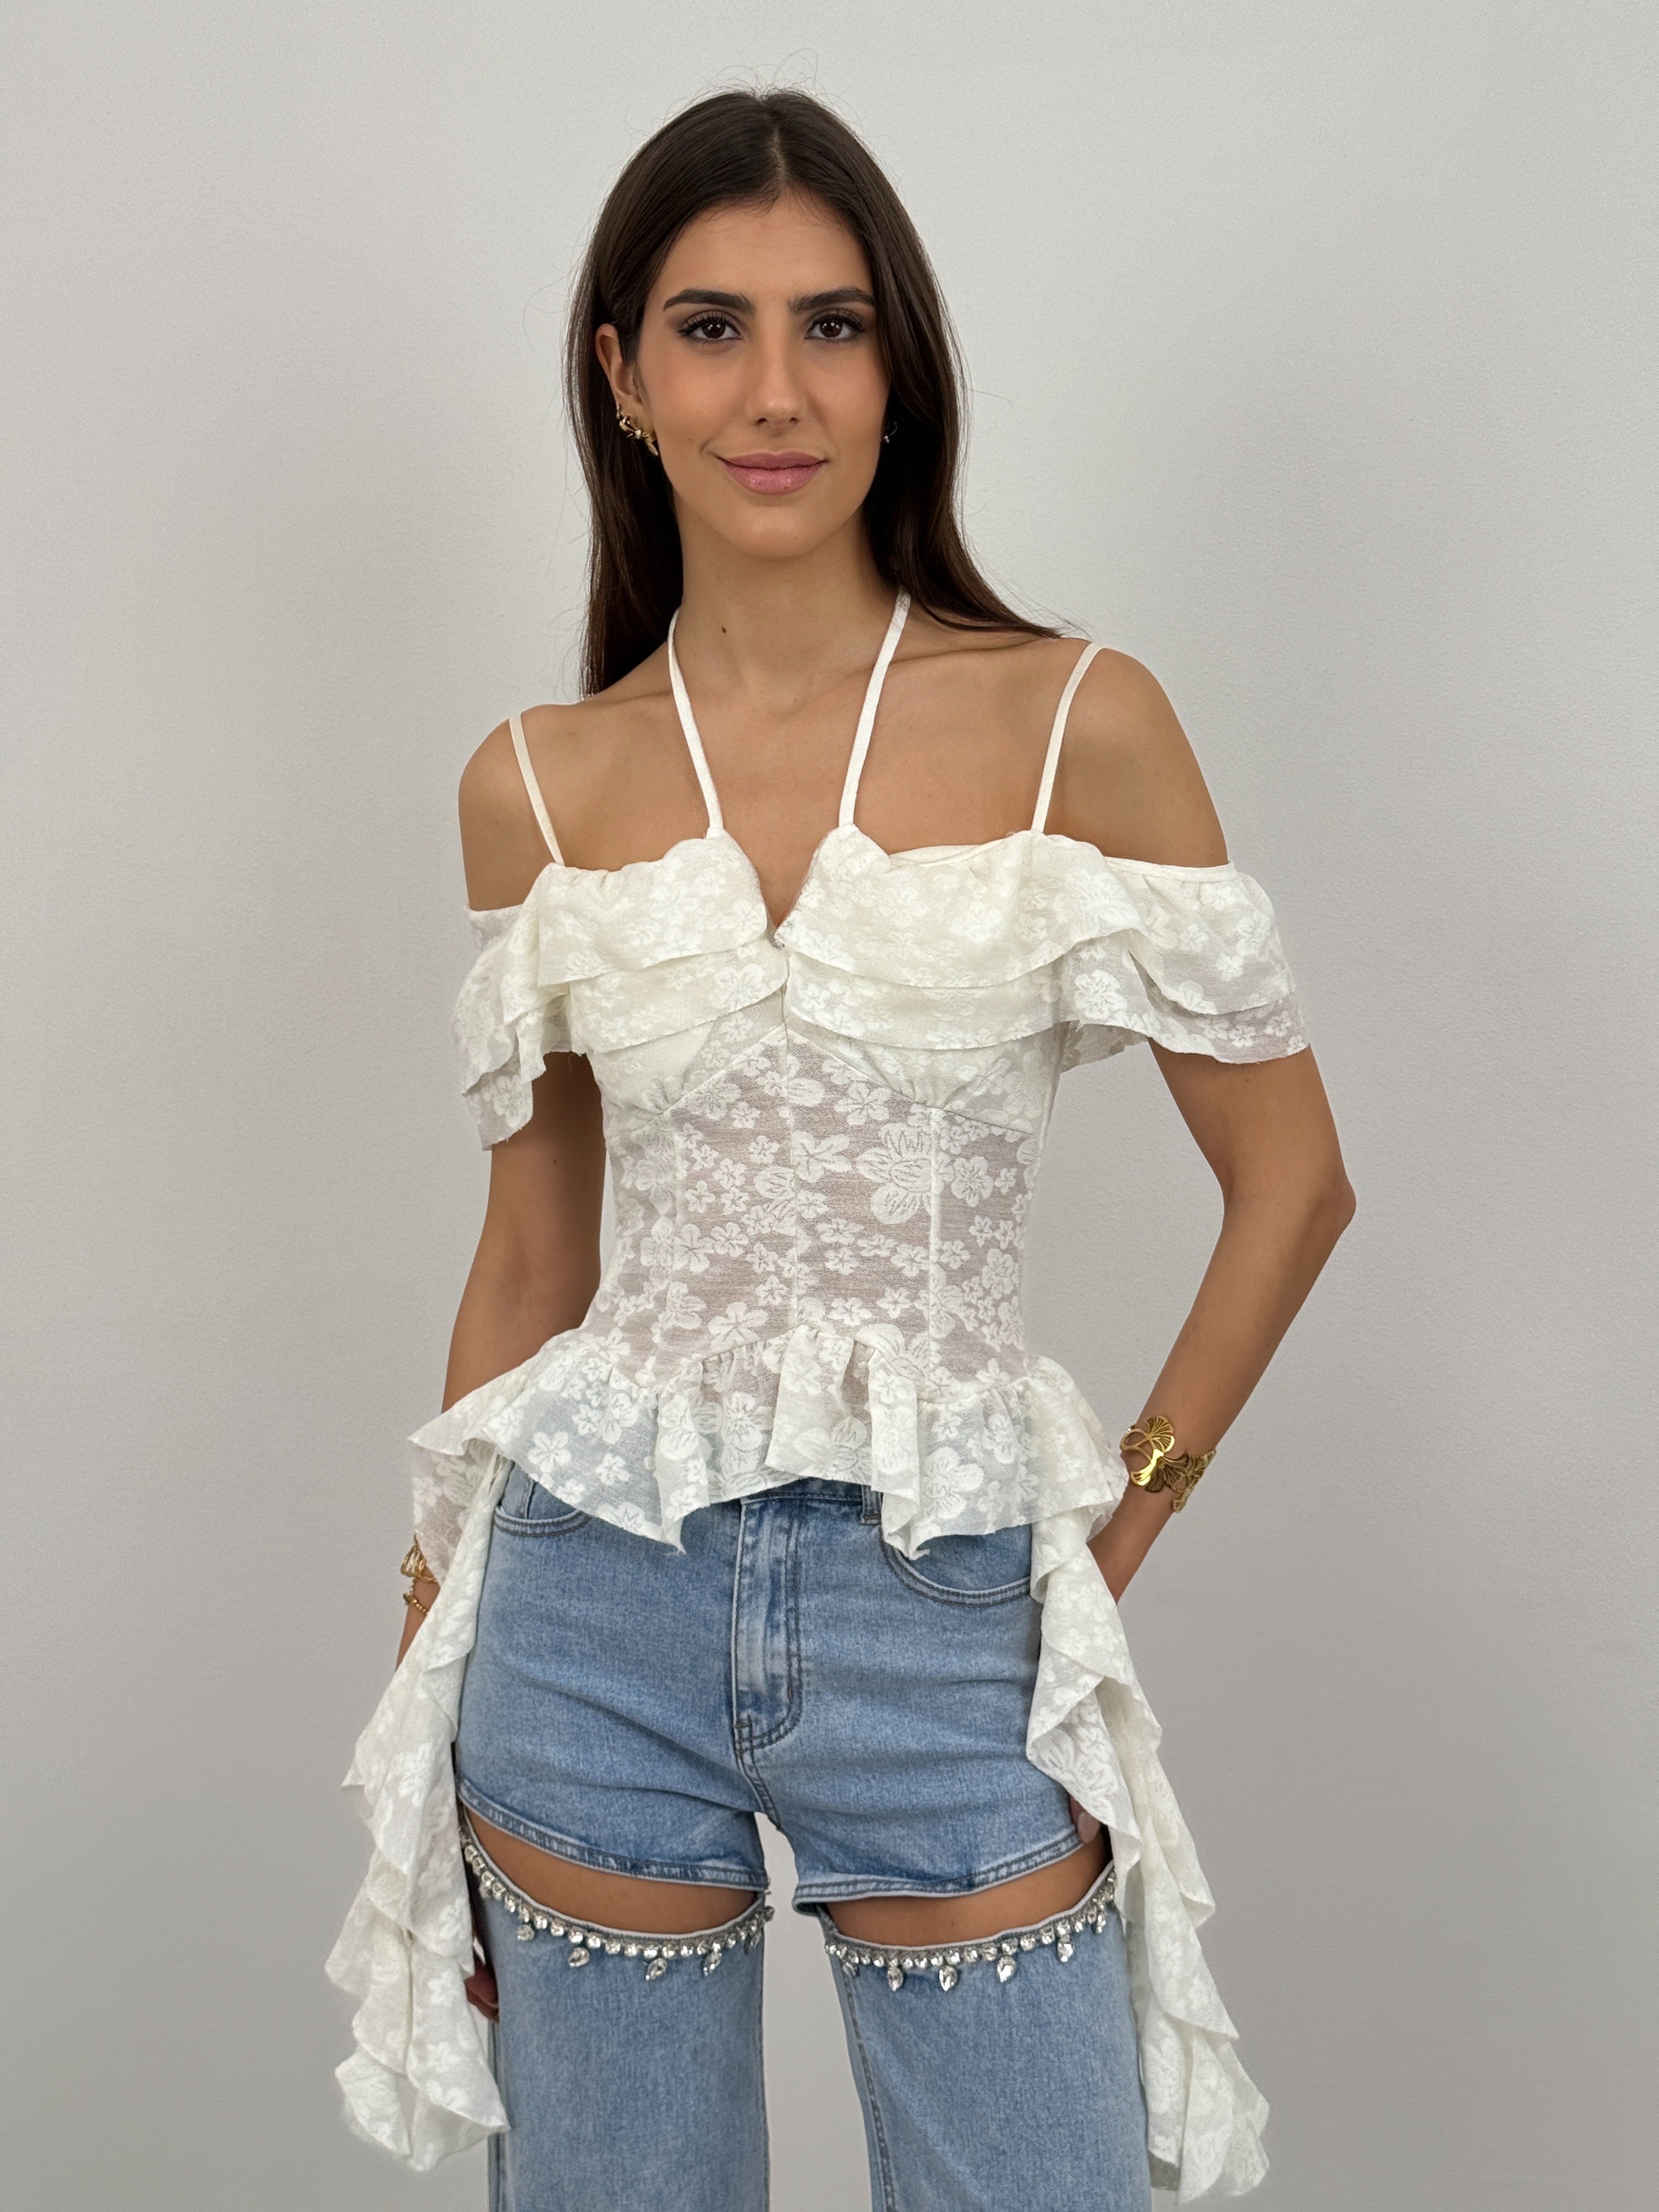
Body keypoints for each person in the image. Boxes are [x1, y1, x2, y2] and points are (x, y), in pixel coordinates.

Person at [326, 86, 1356, 2212]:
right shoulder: (536, 782)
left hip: (946, 1609)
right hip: (583, 1611)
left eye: (834, 325)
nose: (775, 392)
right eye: (711, 329)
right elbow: (532, 1259)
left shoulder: (1079, 722)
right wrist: (429, 1642)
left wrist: (1111, 1533)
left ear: (902, 372)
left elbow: (1295, 1181)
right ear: (622, 377)